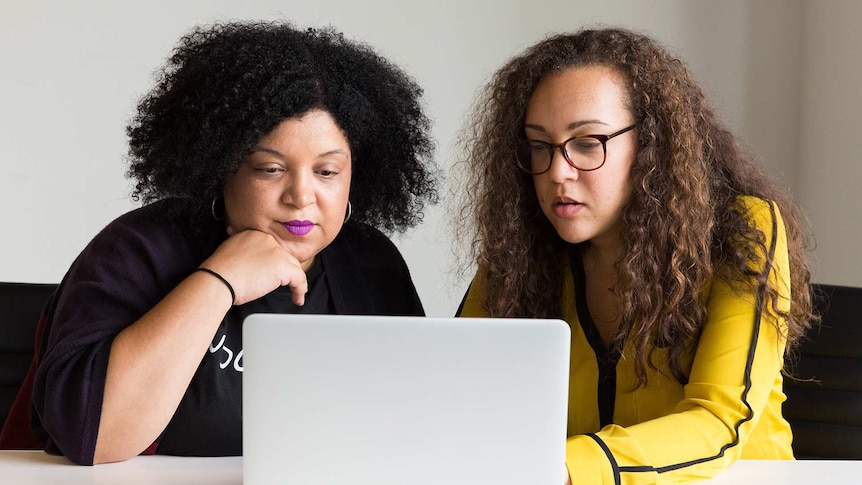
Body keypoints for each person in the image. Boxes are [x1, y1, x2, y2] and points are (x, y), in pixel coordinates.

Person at [0, 21, 438, 465]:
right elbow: (92, 439)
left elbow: (421, 420)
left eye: (327, 172)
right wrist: (219, 279)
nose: (301, 196)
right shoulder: (138, 249)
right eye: (270, 168)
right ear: (223, 165)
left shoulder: (370, 262)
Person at [454, 28, 814, 484]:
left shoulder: (741, 231)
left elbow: (718, 423)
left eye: (587, 143)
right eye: (539, 146)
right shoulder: (522, 247)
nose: (557, 172)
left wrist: (562, 469)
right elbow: (457, 394)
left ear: (650, 147)